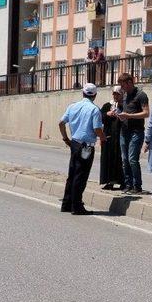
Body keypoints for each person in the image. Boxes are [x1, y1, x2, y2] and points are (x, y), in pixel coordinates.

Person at [59, 83, 106, 215]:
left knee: (72, 174)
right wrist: (103, 138)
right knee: (81, 176)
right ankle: (77, 206)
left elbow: (61, 123)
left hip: (74, 143)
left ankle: (66, 204)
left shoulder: (73, 106)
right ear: (95, 95)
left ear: (83, 93)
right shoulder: (94, 110)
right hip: (86, 147)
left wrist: (65, 139)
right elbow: (97, 129)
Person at [117, 73, 150, 194]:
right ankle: (128, 184)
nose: (122, 88)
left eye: (123, 85)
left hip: (136, 132)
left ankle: (137, 186)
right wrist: (120, 115)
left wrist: (128, 116)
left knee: (132, 159)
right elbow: (125, 111)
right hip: (124, 131)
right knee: (125, 159)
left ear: (130, 82)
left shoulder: (141, 95)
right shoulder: (125, 95)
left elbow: (146, 113)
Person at [99, 86, 124, 190]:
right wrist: (107, 114)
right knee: (108, 158)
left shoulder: (124, 106)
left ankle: (123, 181)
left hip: (120, 136)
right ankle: (109, 181)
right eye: (114, 94)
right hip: (109, 136)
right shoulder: (107, 105)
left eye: (118, 94)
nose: (115, 96)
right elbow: (99, 117)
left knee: (121, 159)